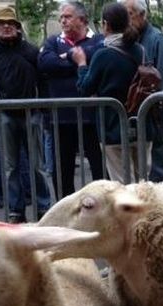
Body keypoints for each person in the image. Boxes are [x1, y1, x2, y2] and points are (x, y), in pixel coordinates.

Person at [0, 7, 51, 223]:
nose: (6, 26)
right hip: (5, 116)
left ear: (17, 27)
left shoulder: (32, 51)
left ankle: (44, 208)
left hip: (32, 114)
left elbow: (43, 82)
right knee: (10, 167)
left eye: (10, 23)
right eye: (1, 23)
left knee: (38, 166)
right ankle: (16, 211)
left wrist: (42, 107)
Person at [38, 1, 104, 198]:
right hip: (62, 119)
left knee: (100, 169)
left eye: (67, 16)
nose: (63, 21)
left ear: (82, 19)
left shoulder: (99, 40)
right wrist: (75, 60)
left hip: (92, 118)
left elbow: (97, 58)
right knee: (62, 172)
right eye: (61, 18)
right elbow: (45, 63)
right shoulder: (51, 41)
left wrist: (64, 61)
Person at [74, 2, 143, 182]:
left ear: (106, 24)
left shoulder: (103, 54)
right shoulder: (140, 50)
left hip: (113, 128)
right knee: (143, 185)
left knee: (122, 186)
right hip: (142, 125)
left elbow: (84, 89)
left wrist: (81, 64)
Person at [123, 0, 163, 182]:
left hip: (157, 110)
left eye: (129, 14)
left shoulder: (156, 38)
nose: (127, 20)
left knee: (161, 158)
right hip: (141, 112)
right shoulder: (132, 39)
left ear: (142, 15)